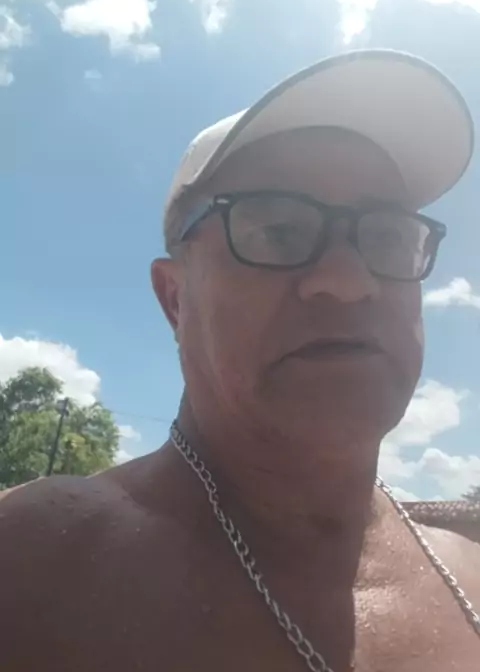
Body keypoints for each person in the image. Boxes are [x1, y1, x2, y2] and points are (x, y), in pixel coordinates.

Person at [1, 50, 479, 672]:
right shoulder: (35, 571)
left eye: (387, 235)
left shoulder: (467, 575)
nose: (347, 280)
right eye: (279, 230)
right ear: (175, 299)